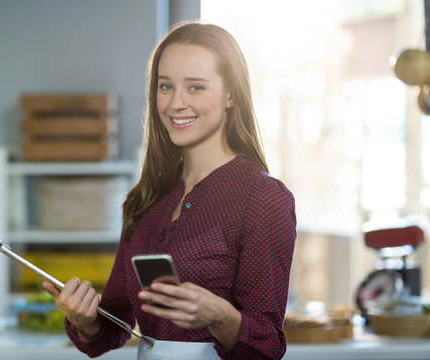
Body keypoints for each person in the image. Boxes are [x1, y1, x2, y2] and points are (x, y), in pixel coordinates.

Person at [43, 21, 297, 360]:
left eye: (195, 88)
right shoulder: (145, 200)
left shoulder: (264, 198)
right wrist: (85, 320)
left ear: (231, 95)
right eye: (166, 86)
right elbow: (115, 324)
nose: (175, 103)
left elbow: (267, 347)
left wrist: (220, 316)